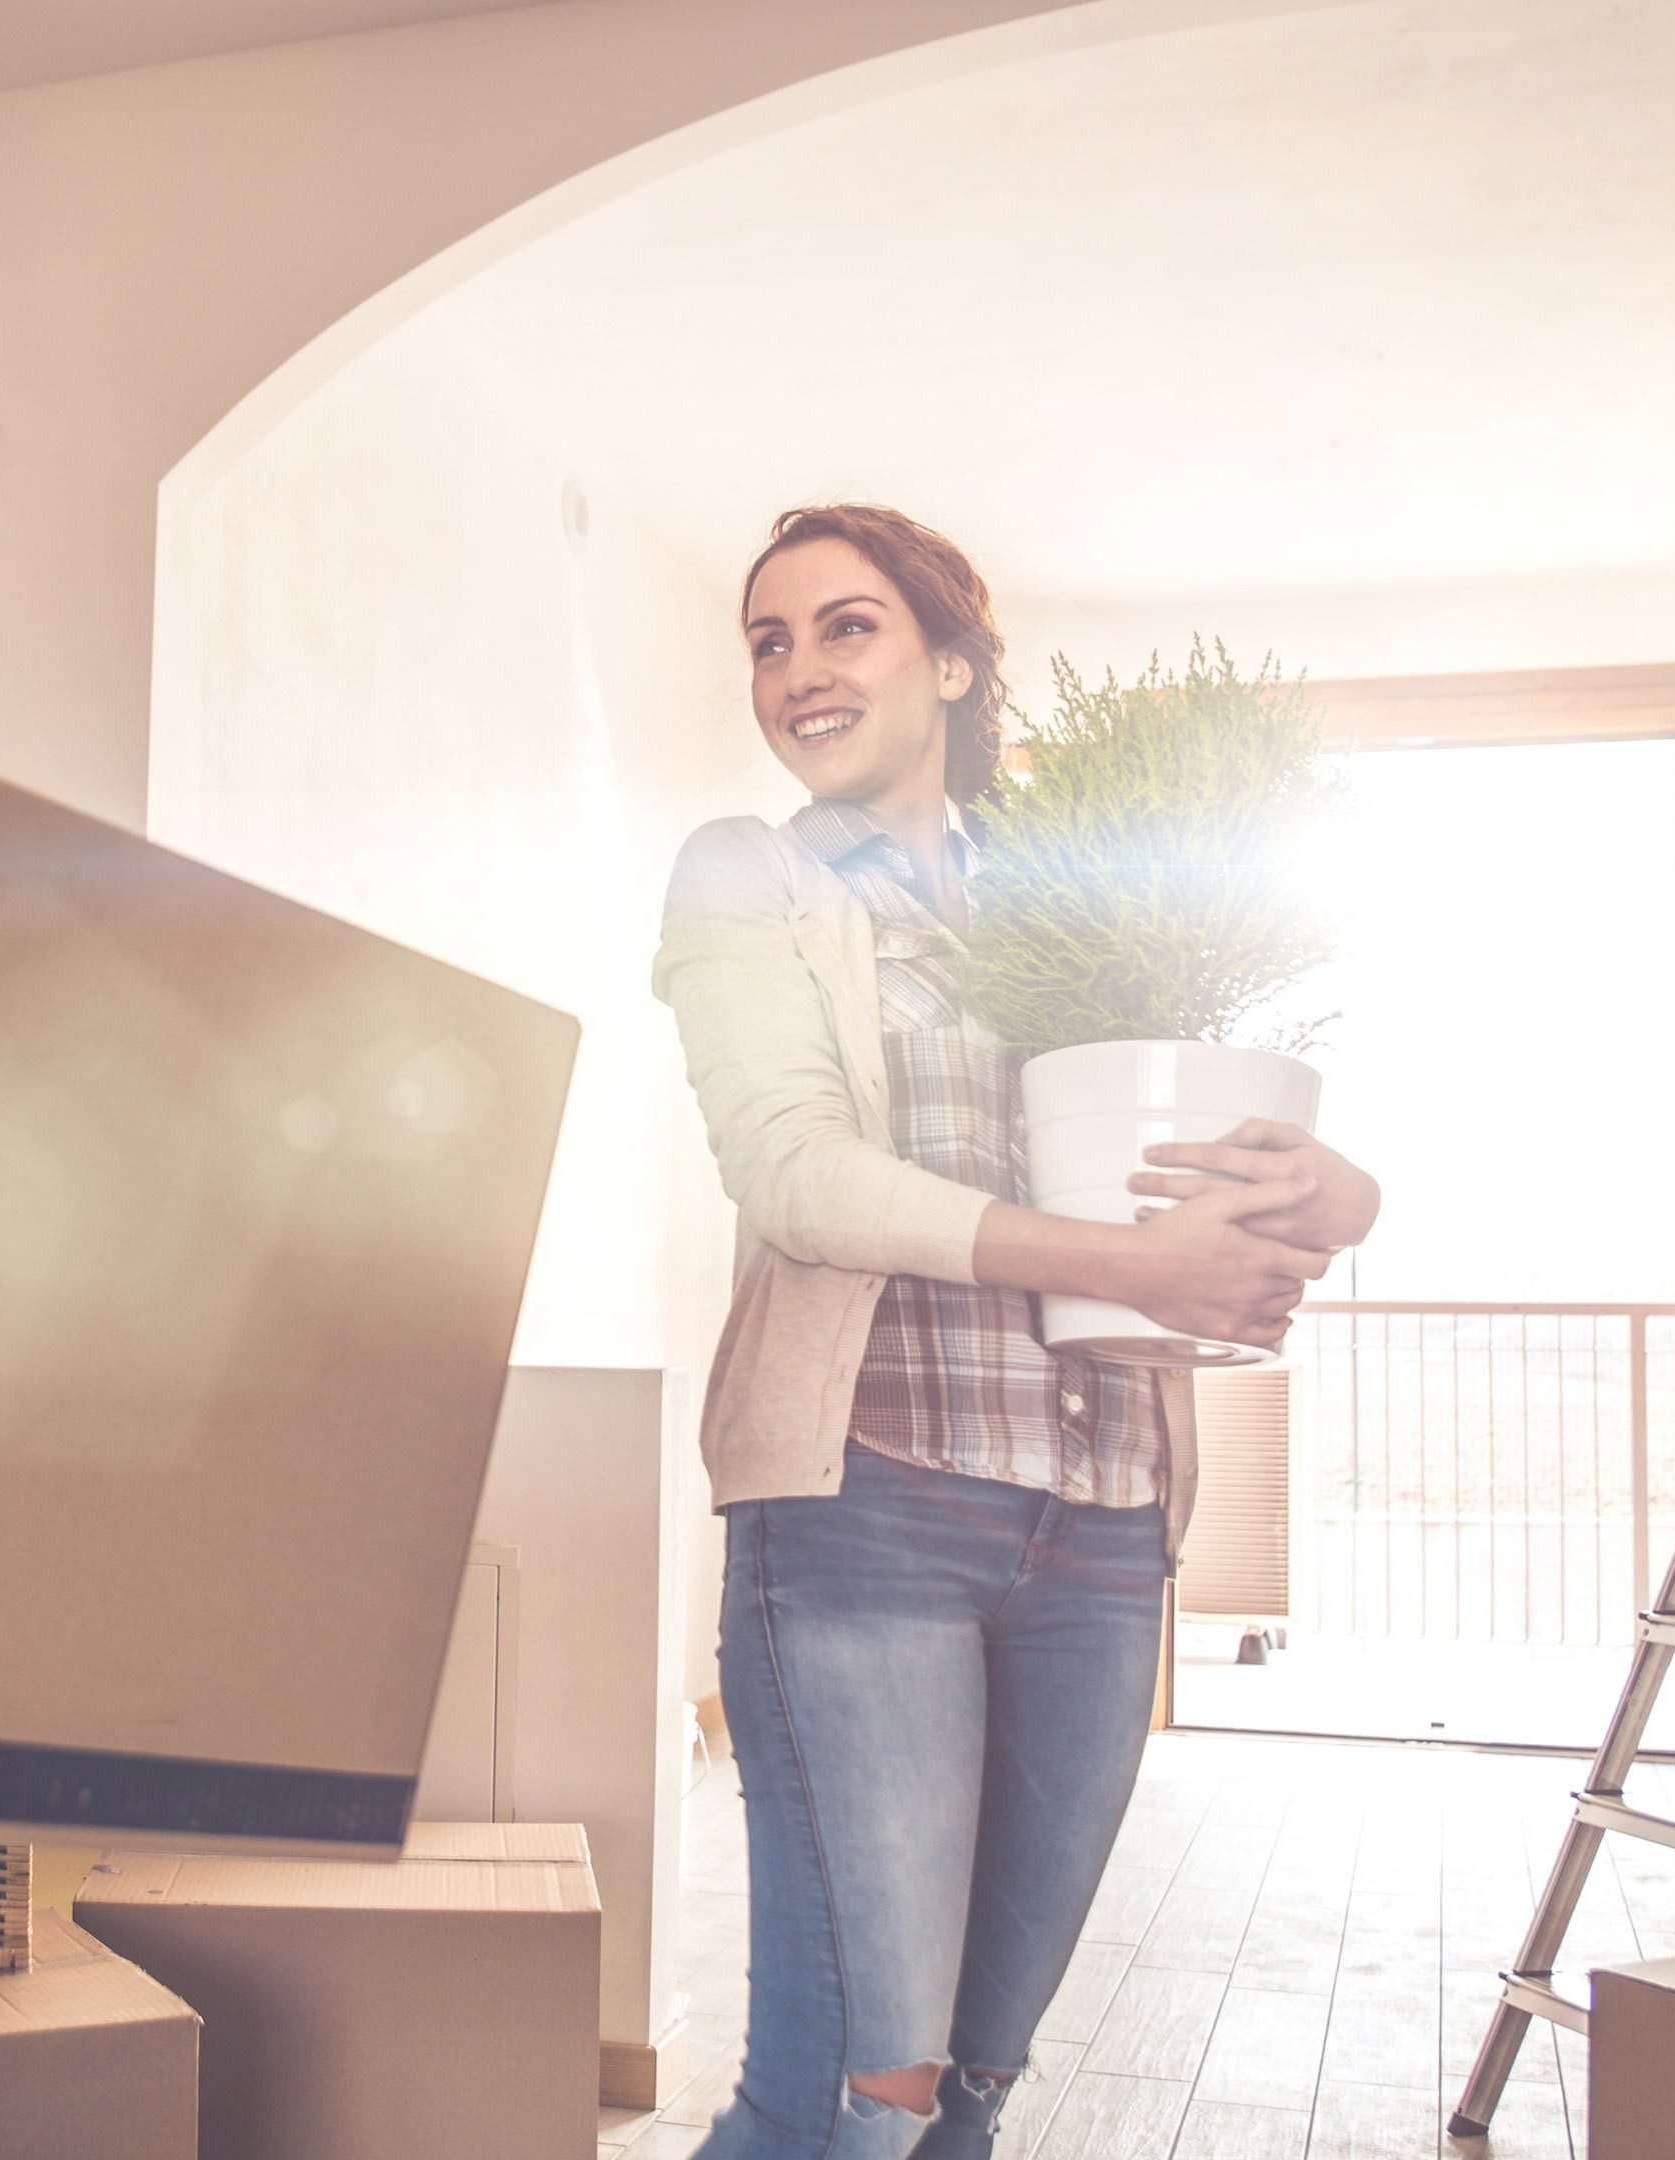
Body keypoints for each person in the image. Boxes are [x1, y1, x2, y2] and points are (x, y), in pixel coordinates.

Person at [653, 505, 1382, 2158]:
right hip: (869, 1513)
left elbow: (1201, 1149)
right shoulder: (748, 874)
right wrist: (1124, 1260)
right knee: (856, 2102)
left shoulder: (1082, 903)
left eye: (847, 627)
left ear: (954, 662)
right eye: (769, 640)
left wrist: (1342, 1196)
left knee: (972, 2095)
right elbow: (793, 1174)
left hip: (1105, 1521)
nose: (797, 670)